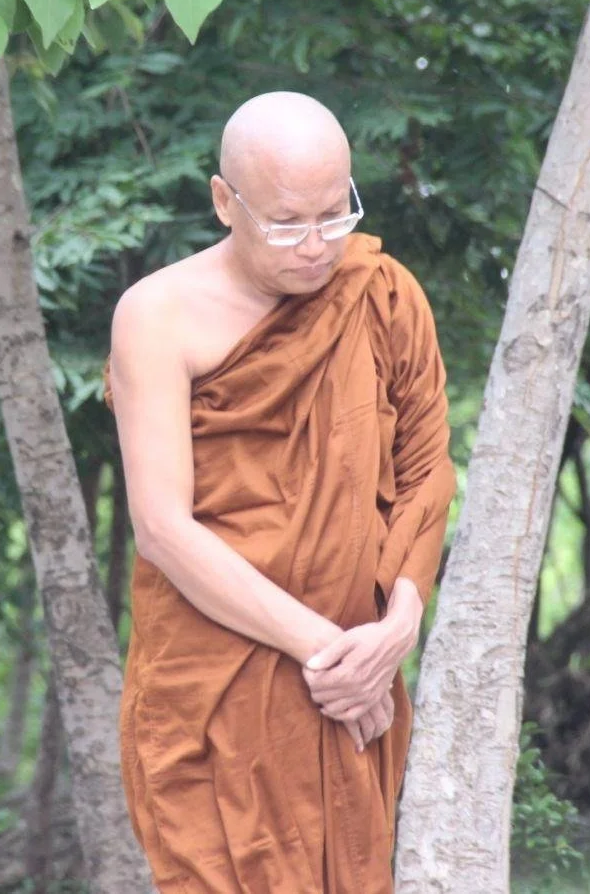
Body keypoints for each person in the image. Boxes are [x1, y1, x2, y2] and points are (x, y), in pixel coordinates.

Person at [105, 91, 457, 893]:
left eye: (336, 214)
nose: (316, 246)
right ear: (224, 202)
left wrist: (397, 628)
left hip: (355, 683)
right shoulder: (157, 317)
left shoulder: (382, 292)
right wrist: (327, 652)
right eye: (288, 222)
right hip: (218, 683)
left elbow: (427, 470)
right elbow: (162, 527)